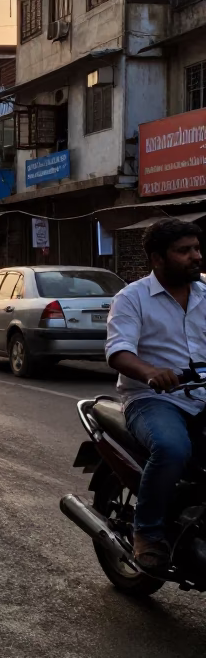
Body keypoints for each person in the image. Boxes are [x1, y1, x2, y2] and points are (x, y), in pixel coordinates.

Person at [105, 219, 206, 574]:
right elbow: (119, 351)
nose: (195, 256)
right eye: (184, 251)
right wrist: (150, 372)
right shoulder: (132, 298)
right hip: (154, 400)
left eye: (196, 248)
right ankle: (146, 532)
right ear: (158, 259)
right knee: (173, 448)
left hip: (202, 395)